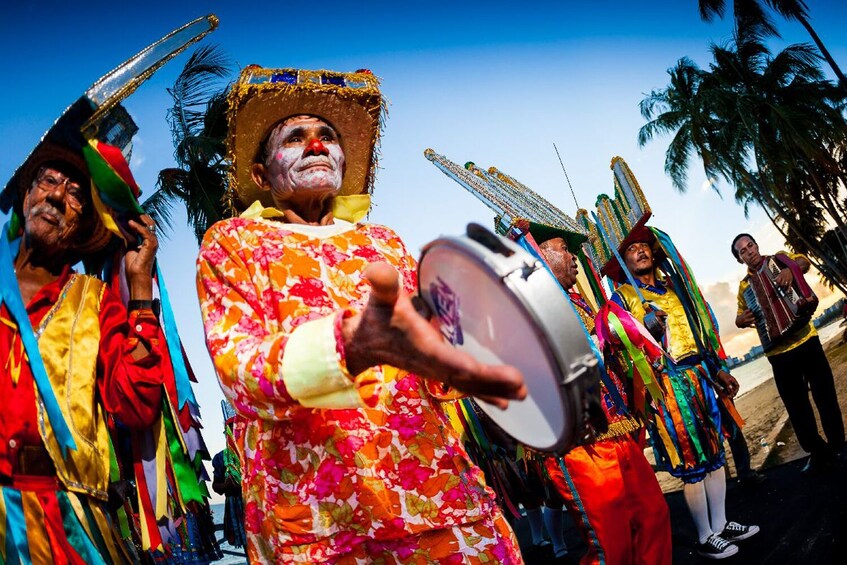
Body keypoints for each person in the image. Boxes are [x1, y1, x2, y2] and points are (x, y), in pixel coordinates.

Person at [197, 66, 526, 564]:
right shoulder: (234, 241)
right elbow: (238, 372)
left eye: (326, 136)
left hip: (437, 498)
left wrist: (480, 340)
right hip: (317, 518)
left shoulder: (383, 242)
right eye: (295, 137)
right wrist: (347, 346)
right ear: (262, 176)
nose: (315, 145)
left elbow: (434, 363)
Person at [0, 131, 164, 561]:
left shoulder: (93, 302)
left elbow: (136, 406)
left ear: (84, 226)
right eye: (47, 181)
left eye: (74, 194)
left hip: (65, 527)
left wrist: (141, 285)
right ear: (27, 194)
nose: (56, 197)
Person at [605, 227, 759, 560]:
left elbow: (699, 328)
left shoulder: (673, 286)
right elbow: (611, 339)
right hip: (667, 383)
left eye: (645, 246)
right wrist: (644, 329)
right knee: (692, 460)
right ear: (623, 261)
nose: (641, 251)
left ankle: (720, 524)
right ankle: (705, 536)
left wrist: (717, 368)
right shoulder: (622, 298)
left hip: (700, 374)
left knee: (715, 452)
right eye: (632, 249)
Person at [536, 235, 672, 565]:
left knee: (653, 518)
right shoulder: (529, 312)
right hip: (581, 444)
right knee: (611, 547)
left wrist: (641, 335)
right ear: (538, 256)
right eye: (564, 250)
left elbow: (612, 359)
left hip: (619, 431)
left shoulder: (580, 302)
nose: (573, 258)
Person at [732, 233, 845, 473]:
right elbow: (740, 316)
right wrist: (741, 320)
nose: (749, 251)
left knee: (825, 396)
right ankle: (818, 452)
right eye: (742, 251)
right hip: (779, 354)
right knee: (797, 409)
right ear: (740, 259)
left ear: (757, 245)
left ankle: (838, 447)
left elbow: (804, 261)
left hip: (806, 339)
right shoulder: (744, 288)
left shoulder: (780, 259)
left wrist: (791, 271)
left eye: (750, 245)